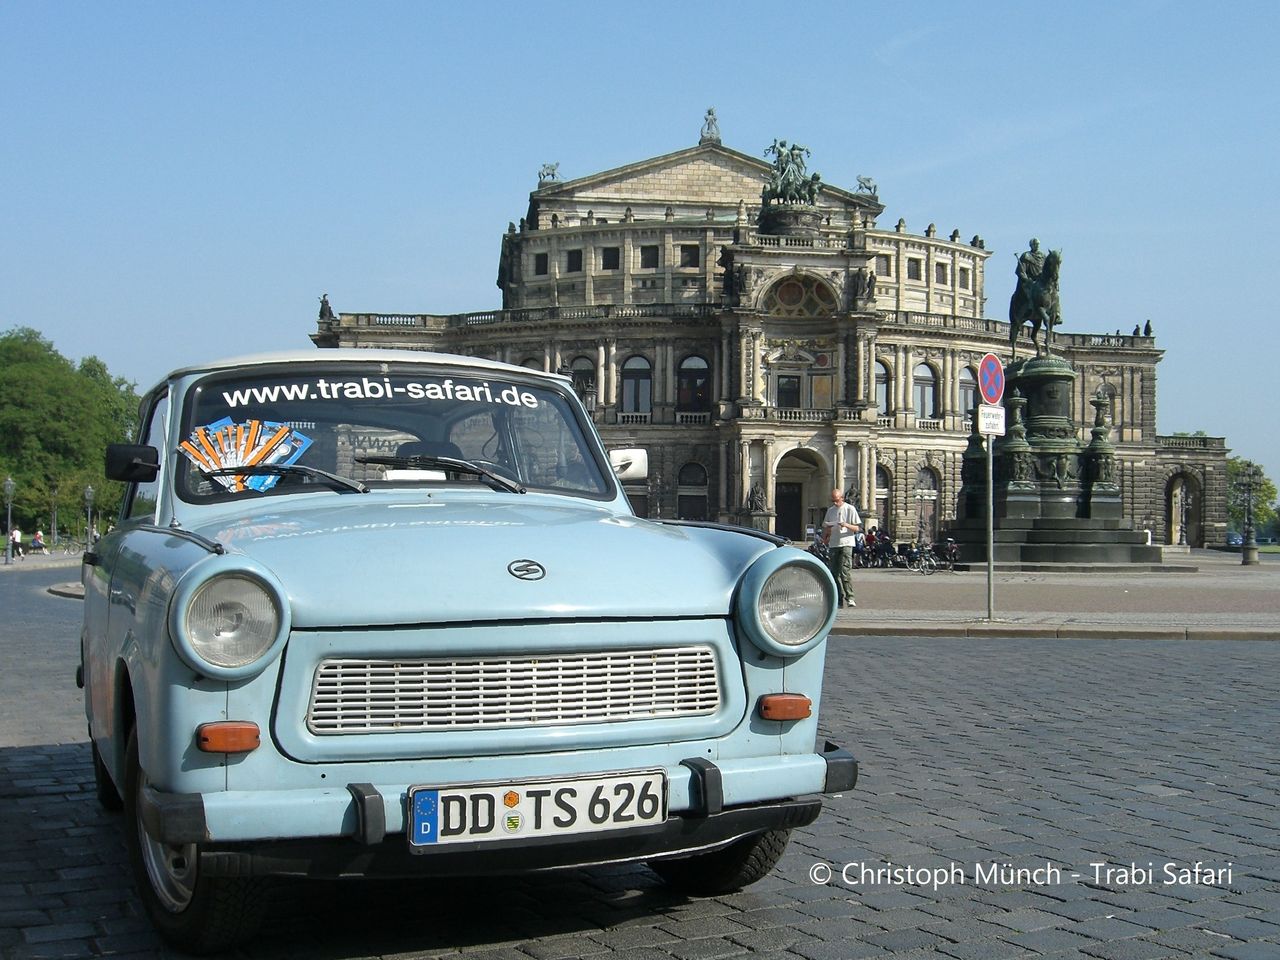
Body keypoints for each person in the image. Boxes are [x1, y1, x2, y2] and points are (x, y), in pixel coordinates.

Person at [821, 488, 861, 608]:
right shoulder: (830, 510)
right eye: (833, 500)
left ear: (842, 498)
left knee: (845, 572)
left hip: (846, 543)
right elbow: (827, 527)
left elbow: (857, 528)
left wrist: (845, 524)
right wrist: (826, 537)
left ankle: (850, 597)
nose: (834, 503)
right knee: (833, 573)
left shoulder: (850, 509)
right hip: (834, 544)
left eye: (836, 500)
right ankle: (838, 598)